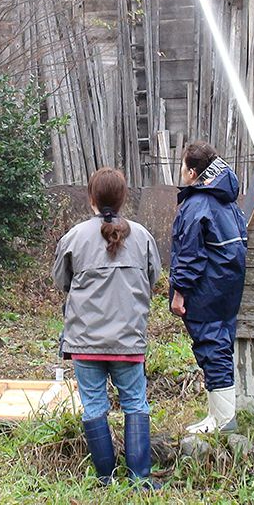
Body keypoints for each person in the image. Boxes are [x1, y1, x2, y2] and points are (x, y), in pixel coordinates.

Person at [52, 167, 162, 487]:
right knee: (135, 404)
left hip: (84, 342)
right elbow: (153, 278)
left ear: (91, 199)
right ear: (124, 197)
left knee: (94, 408)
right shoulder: (142, 237)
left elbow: (62, 281)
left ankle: (106, 478)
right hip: (128, 341)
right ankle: (140, 478)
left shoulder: (73, 237)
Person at [169, 142, 248, 434]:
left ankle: (224, 421)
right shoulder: (228, 202)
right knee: (220, 344)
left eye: (182, 166)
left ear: (192, 171)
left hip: (206, 288)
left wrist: (179, 292)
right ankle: (217, 415)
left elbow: (189, 254)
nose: (181, 171)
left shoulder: (197, 205)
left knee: (211, 346)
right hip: (227, 287)